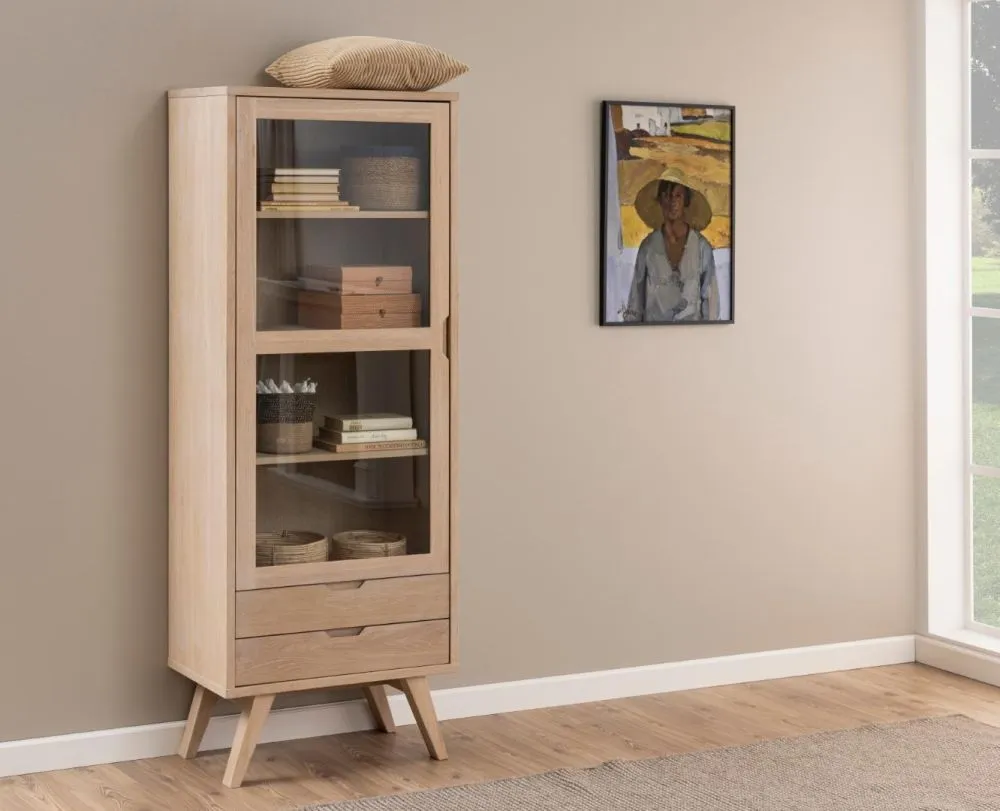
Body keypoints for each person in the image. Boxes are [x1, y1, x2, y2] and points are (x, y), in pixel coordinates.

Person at [625, 179, 718, 322]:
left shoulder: (701, 247)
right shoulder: (648, 247)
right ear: (660, 201)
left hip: (692, 336)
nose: (672, 202)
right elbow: (635, 301)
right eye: (667, 196)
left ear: (686, 201)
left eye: (678, 196)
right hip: (653, 335)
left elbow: (711, 304)